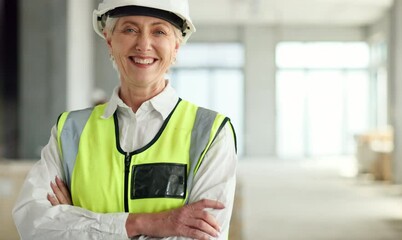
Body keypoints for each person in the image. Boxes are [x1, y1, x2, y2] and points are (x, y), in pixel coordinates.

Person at [12, 0, 237, 239]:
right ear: (109, 41)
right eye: (130, 29)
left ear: (176, 47)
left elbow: (204, 235)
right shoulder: (70, 131)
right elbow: (33, 223)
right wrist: (143, 223)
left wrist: (76, 221)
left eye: (159, 31)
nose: (143, 44)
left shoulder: (210, 133)